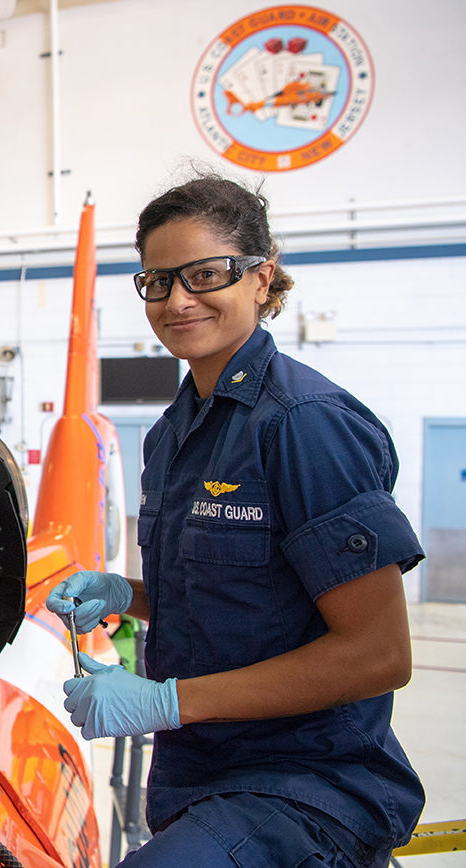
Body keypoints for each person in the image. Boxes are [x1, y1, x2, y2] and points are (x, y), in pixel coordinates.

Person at [46, 175, 424, 867]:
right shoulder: (172, 435)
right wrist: (126, 595)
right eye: (157, 281)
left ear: (261, 277)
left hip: (307, 787)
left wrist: (166, 702)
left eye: (206, 274)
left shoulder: (305, 425)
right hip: (203, 779)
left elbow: (379, 654)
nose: (178, 300)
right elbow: (245, 594)